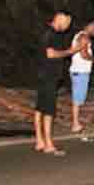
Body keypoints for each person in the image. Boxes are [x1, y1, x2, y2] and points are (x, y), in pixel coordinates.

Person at [34, 11, 83, 155]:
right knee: (49, 111)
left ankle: (39, 141)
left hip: (43, 76)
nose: (68, 26)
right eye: (67, 23)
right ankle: (48, 144)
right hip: (48, 77)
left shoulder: (48, 33)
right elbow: (51, 54)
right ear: (60, 19)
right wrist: (71, 51)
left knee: (40, 109)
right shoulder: (52, 35)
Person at [68, 19, 94, 134]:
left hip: (78, 71)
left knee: (78, 98)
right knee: (77, 99)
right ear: (87, 26)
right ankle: (75, 124)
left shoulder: (80, 36)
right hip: (80, 72)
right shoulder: (84, 37)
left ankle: (77, 122)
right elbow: (84, 55)